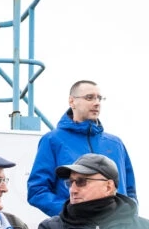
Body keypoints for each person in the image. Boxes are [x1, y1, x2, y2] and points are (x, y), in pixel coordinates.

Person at [28, 80, 136, 217]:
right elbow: (37, 190)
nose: (97, 103)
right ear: (72, 101)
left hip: (117, 225)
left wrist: (129, 215)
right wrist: (72, 215)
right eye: (89, 98)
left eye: (99, 98)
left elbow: (130, 191)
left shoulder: (115, 143)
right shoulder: (52, 140)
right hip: (74, 227)